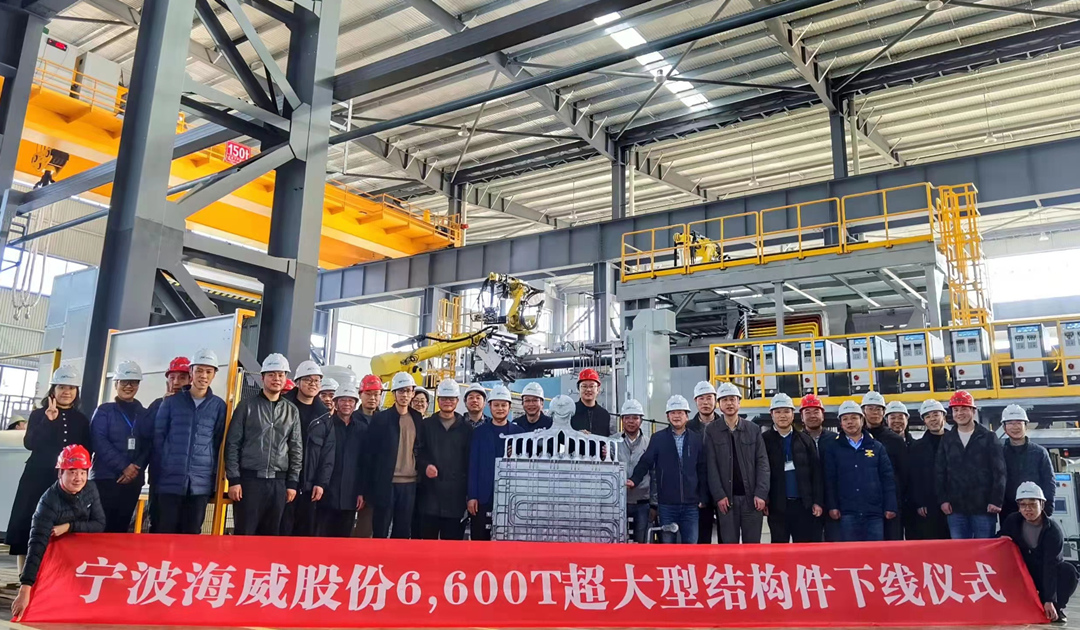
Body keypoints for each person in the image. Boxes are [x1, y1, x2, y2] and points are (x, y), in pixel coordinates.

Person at [6, 365, 90, 568]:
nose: (66, 392)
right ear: (53, 389)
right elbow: (30, 443)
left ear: (76, 391)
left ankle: (52, 575)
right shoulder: (39, 415)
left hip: (65, 483)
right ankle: (24, 575)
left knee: (59, 527)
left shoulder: (81, 420)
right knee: (28, 523)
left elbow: (87, 450)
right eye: (62, 387)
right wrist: (48, 420)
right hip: (36, 478)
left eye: (71, 387)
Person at [10, 444, 104, 620]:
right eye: (72, 472)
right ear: (60, 473)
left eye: (82, 472)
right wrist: (25, 588)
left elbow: (99, 524)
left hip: (84, 557)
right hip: (56, 560)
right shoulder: (48, 502)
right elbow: (36, 545)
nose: (78, 478)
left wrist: (69, 527)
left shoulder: (91, 489)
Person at [225, 353, 303, 536]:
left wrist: (292, 483)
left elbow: (296, 449)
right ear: (262, 378)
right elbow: (233, 444)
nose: (276, 379)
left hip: (278, 485)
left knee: (270, 539)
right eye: (271, 374)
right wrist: (234, 480)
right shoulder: (246, 406)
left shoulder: (291, 411)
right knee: (244, 535)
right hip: (249, 483)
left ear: (286, 378)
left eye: (281, 375)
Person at [154, 349, 227, 534]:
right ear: (191, 372)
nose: (204, 376)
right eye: (199, 370)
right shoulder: (171, 403)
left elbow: (218, 441)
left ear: (214, 375)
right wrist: (163, 468)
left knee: (192, 534)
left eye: (209, 371)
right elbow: (159, 438)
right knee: (164, 532)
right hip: (170, 481)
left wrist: (212, 476)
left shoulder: (219, 406)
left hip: (200, 484)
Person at [628, 395, 707, 544]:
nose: (676, 416)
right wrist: (634, 479)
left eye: (680, 412)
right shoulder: (658, 439)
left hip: (691, 506)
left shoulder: (696, 439)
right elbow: (646, 461)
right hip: (667, 505)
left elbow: (702, 469)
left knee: (691, 546)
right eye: (673, 412)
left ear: (687, 416)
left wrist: (703, 497)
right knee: (668, 547)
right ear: (667, 416)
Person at [1001, 482, 1078, 624]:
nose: (1027, 509)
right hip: (1023, 572)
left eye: (1032, 504)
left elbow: (1050, 566)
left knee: (1069, 571)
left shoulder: (1052, 531)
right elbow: (999, 540)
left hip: (1045, 573)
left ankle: (1055, 608)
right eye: (1023, 505)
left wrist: (1050, 599)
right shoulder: (1012, 521)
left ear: (1042, 505)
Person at [934, 390, 1006, 539]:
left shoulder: (988, 437)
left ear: (973, 411)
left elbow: (999, 471)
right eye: (956, 410)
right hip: (956, 508)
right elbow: (940, 471)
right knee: (960, 550)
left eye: (964, 409)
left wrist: (996, 500)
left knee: (984, 549)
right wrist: (943, 500)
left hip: (983, 507)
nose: (959, 413)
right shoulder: (947, 439)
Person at [704, 382, 769, 544]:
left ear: (739, 403)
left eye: (733, 399)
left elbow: (762, 463)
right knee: (728, 547)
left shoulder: (753, 429)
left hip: (752, 500)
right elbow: (711, 467)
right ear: (719, 405)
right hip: (727, 501)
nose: (729, 403)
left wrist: (761, 494)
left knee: (752, 547)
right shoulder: (711, 431)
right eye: (725, 400)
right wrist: (719, 495)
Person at [822, 400, 897, 542]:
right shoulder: (833, 448)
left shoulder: (876, 447)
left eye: (854, 418)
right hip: (847, 512)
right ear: (841, 423)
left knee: (875, 552)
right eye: (845, 419)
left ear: (862, 420)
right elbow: (829, 479)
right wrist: (832, 506)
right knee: (850, 552)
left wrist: (890, 505)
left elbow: (887, 478)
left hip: (874, 512)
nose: (850, 422)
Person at [362, 372, 422, 539]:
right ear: (394, 393)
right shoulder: (381, 419)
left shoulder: (417, 418)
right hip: (386, 483)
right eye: (401, 391)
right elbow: (370, 454)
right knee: (380, 530)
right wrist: (368, 488)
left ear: (413, 393)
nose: (404, 395)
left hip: (409, 484)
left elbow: (420, 448)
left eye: (408, 391)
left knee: (402, 532)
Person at [89, 360, 146, 533]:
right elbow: (99, 441)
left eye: (133, 382)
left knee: (121, 528)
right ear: (116, 384)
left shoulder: (144, 413)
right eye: (124, 382)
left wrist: (135, 468)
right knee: (100, 527)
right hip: (105, 479)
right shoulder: (104, 411)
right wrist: (124, 467)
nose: (129, 386)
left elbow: (150, 443)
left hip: (132, 481)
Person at [135, 356, 190, 533]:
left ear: (190, 380)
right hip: (159, 476)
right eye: (172, 377)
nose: (176, 382)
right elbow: (145, 432)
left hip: (186, 480)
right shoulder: (158, 404)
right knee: (158, 523)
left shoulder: (194, 407)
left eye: (182, 377)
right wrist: (164, 405)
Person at [418, 380, 476, 540]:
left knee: (452, 547)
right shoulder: (426, 425)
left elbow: (470, 463)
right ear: (438, 400)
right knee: (427, 546)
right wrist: (425, 466)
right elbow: (417, 452)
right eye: (444, 398)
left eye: (451, 398)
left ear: (457, 401)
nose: (447, 402)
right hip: (429, 498)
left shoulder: (466, 429)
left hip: (455, 500)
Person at [467, 380, 525, 541]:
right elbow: (473, 466)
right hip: (483, 497)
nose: (500, 409)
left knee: (509, 540)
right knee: (480, 540)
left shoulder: (519, 434)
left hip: (511, 497)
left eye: (503, 405)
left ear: (509, 407)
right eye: (496, 405)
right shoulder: (479, 433)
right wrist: (472, 496)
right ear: (489, 406)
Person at [762, 393, 823, 543]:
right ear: (771, 415)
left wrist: (817, 501)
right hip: (777, 506)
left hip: (803, 505)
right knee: (779, 548)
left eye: (786, 411)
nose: (782, 416)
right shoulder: (763, 441)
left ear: (793, 414)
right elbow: (760, 473)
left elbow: (816, 473)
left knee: (803, 548)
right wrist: (765, 499)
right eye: (778, 412)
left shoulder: (805, 440)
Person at [280, 360, 329, 536]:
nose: (312, 384)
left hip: (309, 487)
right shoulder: (282, 407)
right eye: (308, 380)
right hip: (282, 482)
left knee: (305, 536)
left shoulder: (324, 415)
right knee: (280, 533)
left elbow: (327, 453)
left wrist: (320, 483)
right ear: (297, 382)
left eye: (316, 380)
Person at [321, 385, 373, 538]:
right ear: (336, 403)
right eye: (343, 400)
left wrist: (361, 492)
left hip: (350, 494)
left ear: (355, 404)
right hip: (327, 491)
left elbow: (364, 463)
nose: (347, 404)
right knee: (323, 535)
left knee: (345, 536)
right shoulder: (326, 425)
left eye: (351, 401)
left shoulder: (362, 429)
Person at [861, 391, 909, 540]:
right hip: (864, 505)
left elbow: (904, 474)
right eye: (870, 408)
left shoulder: (895, 440)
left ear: (883, 412)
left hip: (891, 504)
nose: (875, 412)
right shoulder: (856, 438)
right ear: (863, 411)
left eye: (878, 409)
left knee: (892, 544)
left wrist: (896, 502)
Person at [1001, 404, 1055, 525]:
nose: (1015, 427)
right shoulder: (999, 453)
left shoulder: (1039, 452)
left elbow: (1049, 481)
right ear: (1004, 427)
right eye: (1010, 423)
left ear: (1026, 425)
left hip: (1035, 510)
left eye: (1019, 423)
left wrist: (1047, 508)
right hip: (1008, 510)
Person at [909, 399, 951, 539]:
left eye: (935, 415)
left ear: (943, 416)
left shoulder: (955, 442)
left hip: (955, 502)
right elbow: (915, 477)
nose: (932, 419)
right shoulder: (917, 447)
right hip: (929, 504)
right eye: (928, 416)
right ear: (924, 421)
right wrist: (920, 502)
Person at [617, 399, 655, 543]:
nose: (631, 421)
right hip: (618, 502)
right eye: (627, 418)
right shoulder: (612, 442)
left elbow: (655, 475)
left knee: (641, 542)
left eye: (635, 418)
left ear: (641, 420)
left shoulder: (650, 443)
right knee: (618, 541)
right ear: (622, 420)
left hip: (642, 502)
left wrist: (654, 504)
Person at [351, 375, 383, 537]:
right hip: (352, 481)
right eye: (368, 394)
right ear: (360, 394)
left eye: (376, 394)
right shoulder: (351, 419)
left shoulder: (384, 420)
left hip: (375, 484)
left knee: (368, 530)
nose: (372, 398)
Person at [688, 380, 718, 544]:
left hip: (723, 489)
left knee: (727, 538)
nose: (705, 402)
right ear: (695, 401)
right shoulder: (687, 428)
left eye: (709, 398)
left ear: (715, 400)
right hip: (698, 490)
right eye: (701, 398)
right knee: (702, 537)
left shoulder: (725, 426)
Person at [571, 368, 612, 436]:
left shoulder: (604, 415)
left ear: (598, 389)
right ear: (578, 389)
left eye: (592, 386)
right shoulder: (571, 412)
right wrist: (576, 435)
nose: (588, 389)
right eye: (584, 386)